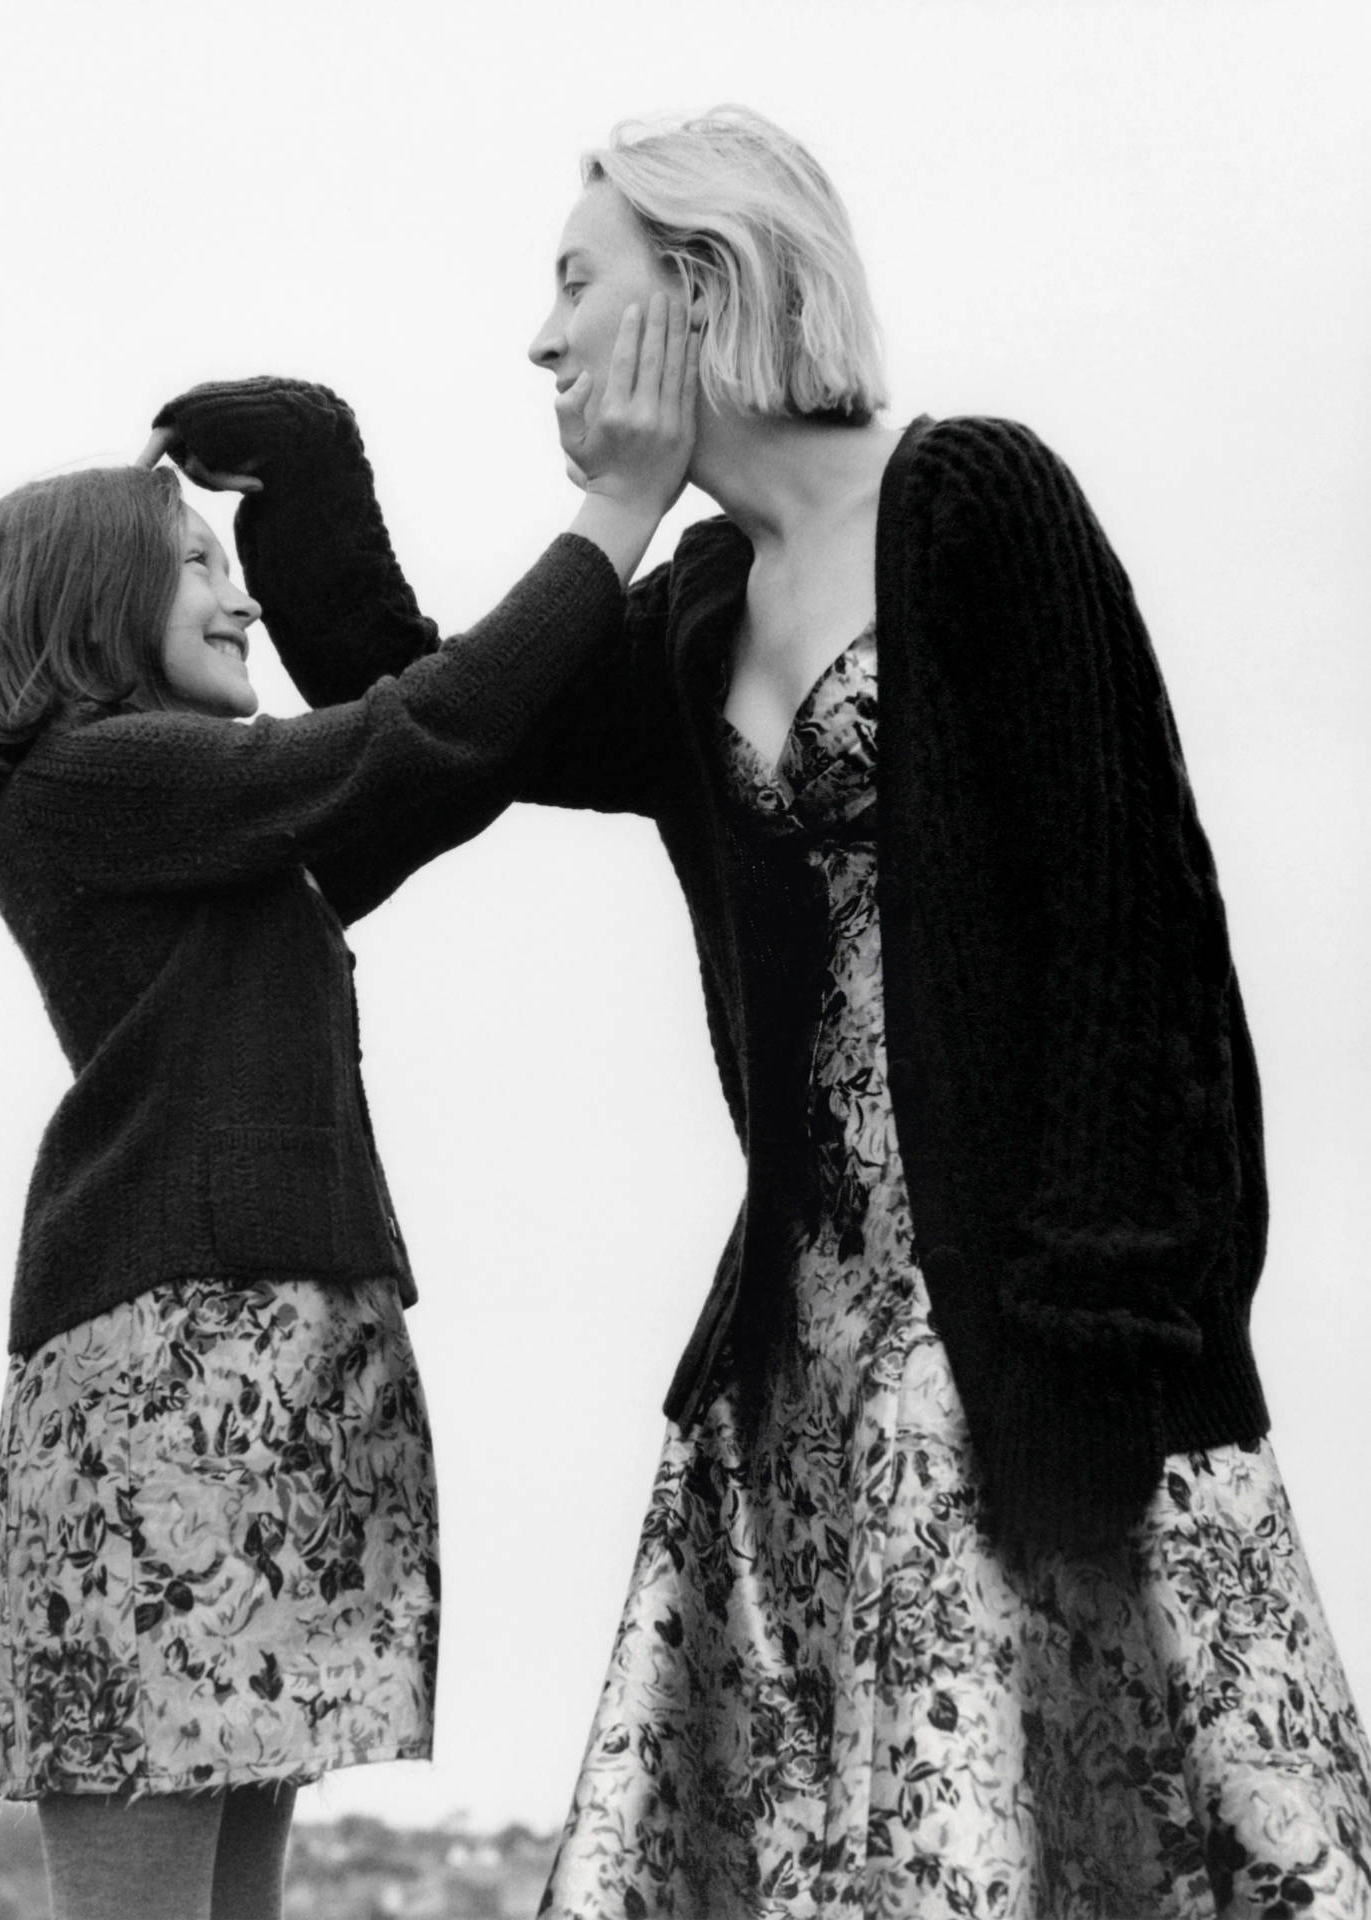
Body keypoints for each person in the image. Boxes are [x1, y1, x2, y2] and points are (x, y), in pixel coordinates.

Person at [150, 108, 1371, 1919]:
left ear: (705, 283)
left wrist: (1111, 1333)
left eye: (579, 283)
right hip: (803, 1349)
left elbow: (1142, 937)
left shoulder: (978, 501)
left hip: (1044, 1347)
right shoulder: (691, 610)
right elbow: (446, 736)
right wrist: (319, 480)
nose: (544, 339)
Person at [0, 300, 698, 1920]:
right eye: (199, 563)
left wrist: (316, 481)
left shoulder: (208, 823)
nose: (241, 593)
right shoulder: (85, 779)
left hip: (270, 1368)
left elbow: (441, 769)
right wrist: (617, 515)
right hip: (165, 1381)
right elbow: (429, 729)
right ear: (87, 599)